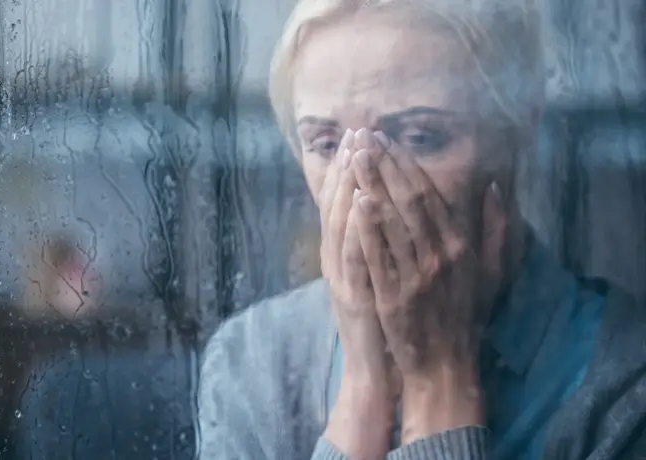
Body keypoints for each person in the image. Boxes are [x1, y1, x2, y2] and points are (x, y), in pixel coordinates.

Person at [196, 1, 646, 460]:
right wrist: (363, 390)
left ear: (516, 130)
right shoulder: (252, 360)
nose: (364, 189)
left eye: (419, 137)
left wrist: (440, 383)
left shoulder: (623, 385)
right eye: (326, 144)